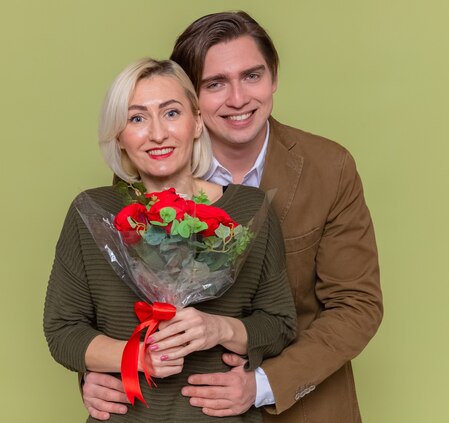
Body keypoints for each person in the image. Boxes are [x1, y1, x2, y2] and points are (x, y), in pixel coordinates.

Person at [82, 11, 383, 423]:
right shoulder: (144, 172)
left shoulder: (329, 167)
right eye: (216, 84)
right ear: (190, 98)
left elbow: (357, 305)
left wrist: (262, 384)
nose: (239, 99)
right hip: (182, 410)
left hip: (305, 407)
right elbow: (109, 300)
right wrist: (95, 377)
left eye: (252, 76)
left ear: (273, 78)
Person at [44, 58, 297, 422]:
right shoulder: (92, 212)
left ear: (197, 122)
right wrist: (136, 356)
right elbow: (62, 331)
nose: (158, 134)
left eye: (172, 113)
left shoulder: (249, 209)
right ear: (119, 135)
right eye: (136, 118)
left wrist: (218, 329)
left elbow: (280, 324)